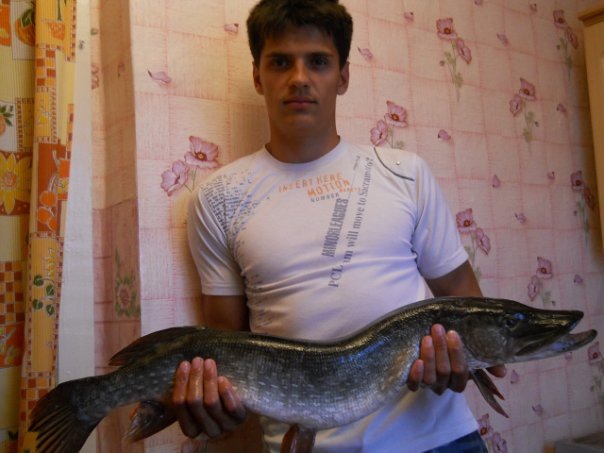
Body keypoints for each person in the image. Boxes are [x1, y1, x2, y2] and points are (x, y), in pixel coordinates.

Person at [172, 0, 506, 451]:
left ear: (343, 76)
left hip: (442, 440)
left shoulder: (405, 172)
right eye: (280, 62)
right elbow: (226, 350)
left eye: (318, 61)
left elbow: (465, 300)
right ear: (257, 76)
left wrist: (461, 356)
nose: (299, 78)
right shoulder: (217, 198)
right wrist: (211, 405)